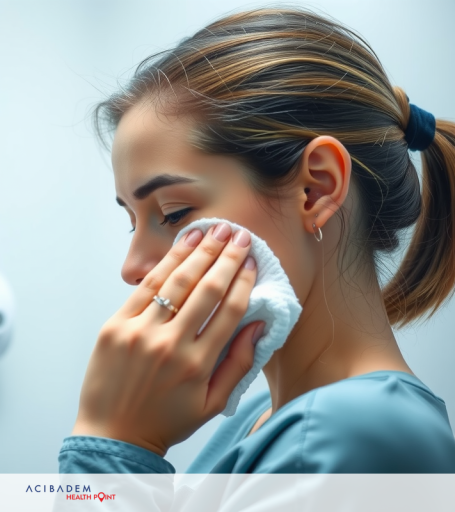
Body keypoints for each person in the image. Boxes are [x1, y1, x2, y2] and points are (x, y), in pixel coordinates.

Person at [58, 6, 455, 474]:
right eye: (133, 221)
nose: (132, 268)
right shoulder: (259, 416)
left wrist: (114, 441)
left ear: (317, 190)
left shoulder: (356, 434)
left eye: (173, 213)